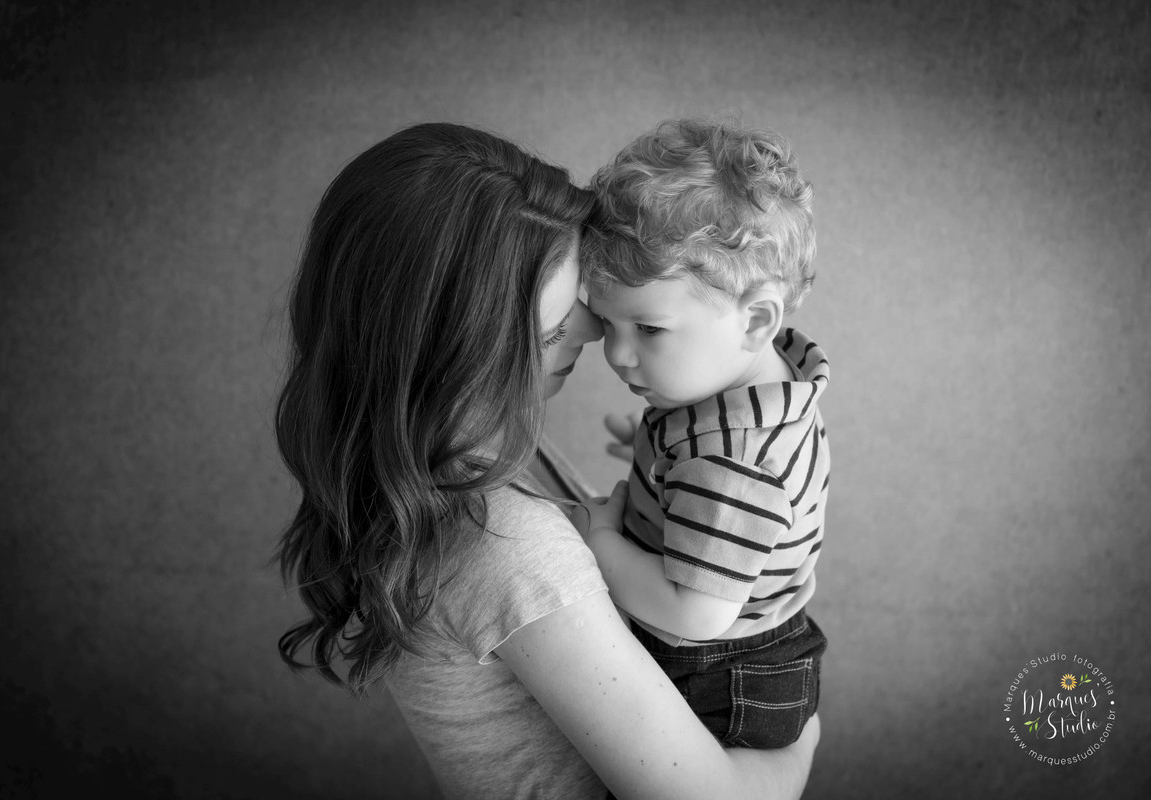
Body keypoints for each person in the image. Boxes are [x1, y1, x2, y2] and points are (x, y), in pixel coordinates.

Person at [273, 122, 818, 799]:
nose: (593, 332)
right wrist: (803, 739)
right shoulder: (508, 544)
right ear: (461, 350)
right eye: (557, 324)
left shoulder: (476, 466)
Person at [575, 118, 830, 750]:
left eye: (648, 330)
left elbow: (695, 612)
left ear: (757, 319)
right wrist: (659, 458)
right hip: (744, 644)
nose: (617, 355)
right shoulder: (757, 381)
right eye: (607, 324)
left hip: (718, 674)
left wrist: (599, 543)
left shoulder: (728, 460)